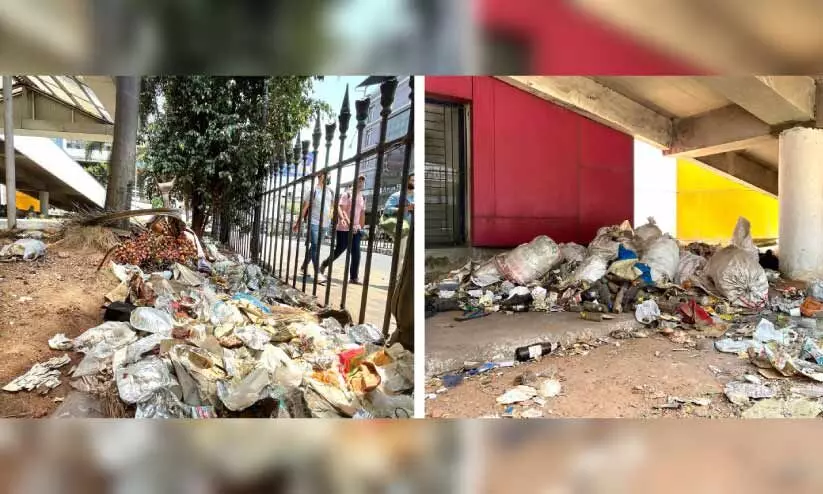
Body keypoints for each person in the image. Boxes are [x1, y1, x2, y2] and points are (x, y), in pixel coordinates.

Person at [321, 175, 366, 284]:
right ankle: (324, 264)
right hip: (344, 228)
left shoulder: (362, 197)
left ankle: (354, 277)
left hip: (356, 229)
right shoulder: (347, 194)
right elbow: (341, 209)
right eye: (359, 180)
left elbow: (362, 213)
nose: (361, 183)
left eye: (362, 181)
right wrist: (346, 221)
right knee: (339, 250)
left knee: (356, 253)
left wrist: (361, 227)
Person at [293, 171, 334, 283]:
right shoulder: (312, 190)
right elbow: (305, 208)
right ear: (320, 177)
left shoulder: (330, 191)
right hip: (314, 222)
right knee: (315, 247)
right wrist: (298, 223)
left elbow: (331, 207)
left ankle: (303, 267)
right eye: (326, 175)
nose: (328, 177)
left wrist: (331, 218)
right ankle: (317, 273)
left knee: (314, 247)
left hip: (325, 223)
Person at [383, 173, 414, 264]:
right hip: (403, 229)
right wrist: (406, 208)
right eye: (413, 180)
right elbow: (387, 210)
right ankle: (396, 277)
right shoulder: (396, 196)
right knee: (401, 256)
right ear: (407, 181)